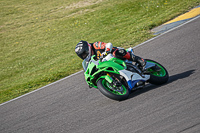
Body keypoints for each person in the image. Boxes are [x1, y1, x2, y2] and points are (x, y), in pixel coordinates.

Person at [75, 40, 146, 71]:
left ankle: (138, 59)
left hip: (113, 55)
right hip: (108, 65)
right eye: (82, 56)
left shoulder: (95, 45)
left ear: (87, 48)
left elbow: (109, 44)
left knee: (118, 52)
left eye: (84, 53)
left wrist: (107, 51)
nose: (84, 56)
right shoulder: (89, 60)